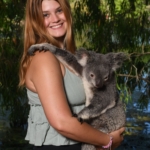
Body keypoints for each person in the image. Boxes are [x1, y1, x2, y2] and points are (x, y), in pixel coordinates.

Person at [19, 0, 125, 150]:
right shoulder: (44, 58)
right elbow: (62, 122)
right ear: (35, 20)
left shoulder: (69, 55)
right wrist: (107, 141)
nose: (55, 19)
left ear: (68, 12)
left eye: (59, 10)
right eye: (45, 15)